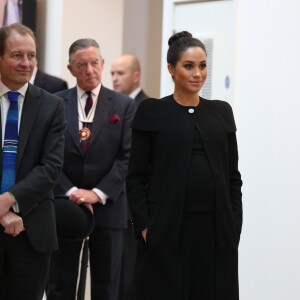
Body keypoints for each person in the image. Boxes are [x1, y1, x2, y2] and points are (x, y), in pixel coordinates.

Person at [126, 31, 243, 300]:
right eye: (188, 66)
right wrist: (145, 228)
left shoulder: (222, 111)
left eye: (202, 66)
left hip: (216, 231)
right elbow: (135, 178)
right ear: (171, 68)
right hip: (167, 229)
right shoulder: (152, 111)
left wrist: (234, 224)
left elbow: (232, 177)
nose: (197, 73)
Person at [46, 38, 136, 300]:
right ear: (70, 68)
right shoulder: (53, 103)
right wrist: (72, 191)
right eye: (81, 65)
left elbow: (127, 157)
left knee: (106, 288)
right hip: (65, 206)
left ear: (103, 64)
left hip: (109, 209)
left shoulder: (123, 105)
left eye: (94, 63)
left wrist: (97, 193)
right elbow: (48, 156)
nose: (89, 70)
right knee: (59, 285)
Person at [0, 23, 66, 300]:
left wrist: (7, 200)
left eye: (32, 55)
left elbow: (50, 168)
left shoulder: (52, 106)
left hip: (31, 232)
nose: (26, 63)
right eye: (17, 55)